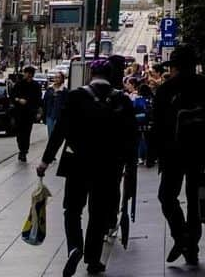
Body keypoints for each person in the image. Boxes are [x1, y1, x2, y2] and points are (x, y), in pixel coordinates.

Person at [36, 58, 137, 277]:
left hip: (77, 164)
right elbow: (131, 138)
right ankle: (93, 260)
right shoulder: (122, 99)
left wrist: (45, 161)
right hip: (108, 167)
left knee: (72, 209)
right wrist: (130, 168)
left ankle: (75, 246)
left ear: (91, 75)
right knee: (98, 213)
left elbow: (59, 132)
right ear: (110, 75)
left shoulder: (75, 97)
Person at [152, 46, 205, 266]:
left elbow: (157, 126)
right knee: (194, 201)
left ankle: (180, 236)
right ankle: (192, 247)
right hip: (198, 152)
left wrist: (154, 154)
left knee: (166, 197)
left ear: (175, 67)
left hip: (172, 153)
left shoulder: (165, 89)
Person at [12, 65, 43, 162]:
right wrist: (18, 100)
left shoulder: (36, 86)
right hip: (19, 113)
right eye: (26, 73)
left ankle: (24, 151)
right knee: (19, 133)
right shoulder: (19, 84)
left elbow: (38, 99)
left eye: (29, 74)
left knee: (26, 133)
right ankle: (21, 149)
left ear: (32, 75)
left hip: (29, 113)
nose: (27, 75)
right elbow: (13, 96)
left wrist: (38, 111)